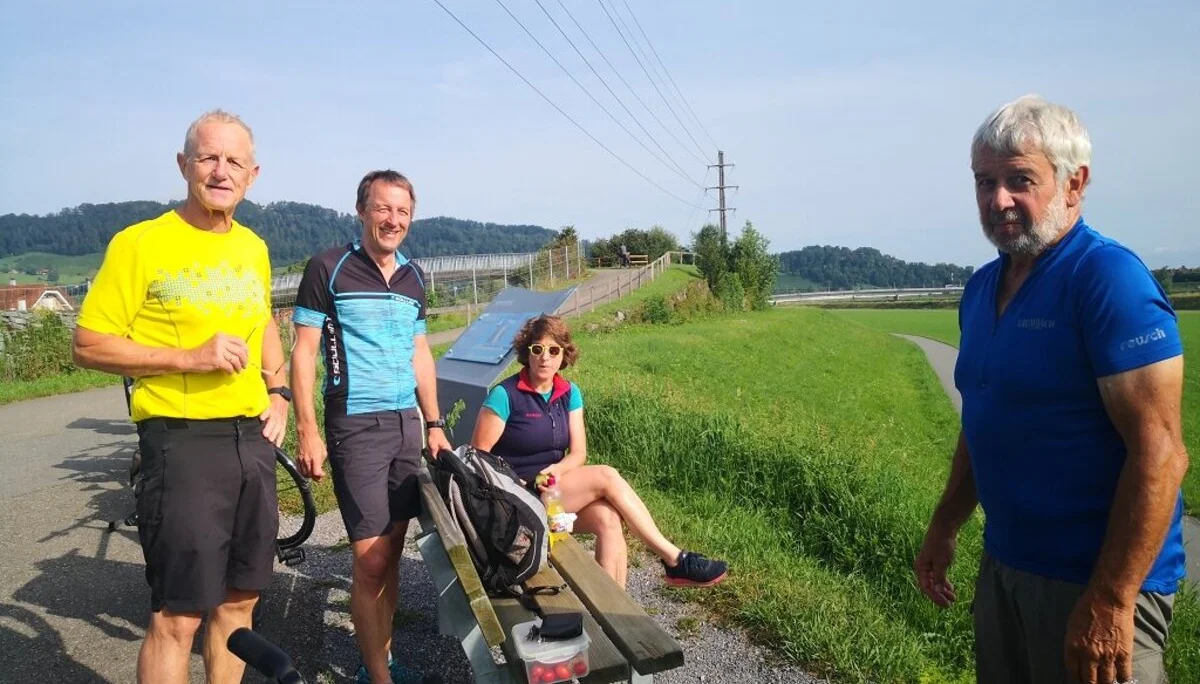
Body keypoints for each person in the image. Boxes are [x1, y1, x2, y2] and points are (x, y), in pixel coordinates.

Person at [914, 95, 1189, 684]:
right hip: (1007, 565)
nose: (998, 200)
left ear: (1074, 182)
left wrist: (1113, 600)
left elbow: (1161, 454)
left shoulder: (1106, 280)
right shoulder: (983, 287)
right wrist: (945, 525)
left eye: (1020, 180)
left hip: (1099, 583)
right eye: (985, 182)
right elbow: (983, 420)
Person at [72, 110, 290, 684]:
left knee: (241, 603)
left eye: (234, 161)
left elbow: (264, 322)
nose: (222, 171)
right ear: (183, 164)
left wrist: (281, 391)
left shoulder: (254, 248)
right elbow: (88, 343)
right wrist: (188, 357)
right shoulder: (140, 243)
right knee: (178, 617)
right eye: (208, 157)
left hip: (251, 438)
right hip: (182, 441)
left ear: (253, 173)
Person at [291, 169, 451, 684]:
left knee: (393, 551)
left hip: (406, 423)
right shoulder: (329, 268)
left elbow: (420, 353)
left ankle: (382, 658)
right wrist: (308, 430)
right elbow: (304, 352)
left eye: (403, 212)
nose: (393, 220)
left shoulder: (414, 276)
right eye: (383, 209)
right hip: (354, 424)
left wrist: (434, 423)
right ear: (362, 210)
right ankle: (377, 677)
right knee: (371, 558)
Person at [471, 314, 728, 589]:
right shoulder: (505, 395)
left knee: (608, 517)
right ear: (527, 352)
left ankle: (615, 613)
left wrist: (556, 470)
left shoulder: (570, 393)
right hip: (517, 497)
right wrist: (521, 484)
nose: (545, 357)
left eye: (553, 350)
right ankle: (675, 559)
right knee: (606, 475)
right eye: (538, 349)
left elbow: (578, 453)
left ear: (563, 355)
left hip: (552, 490)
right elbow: (478, 459)